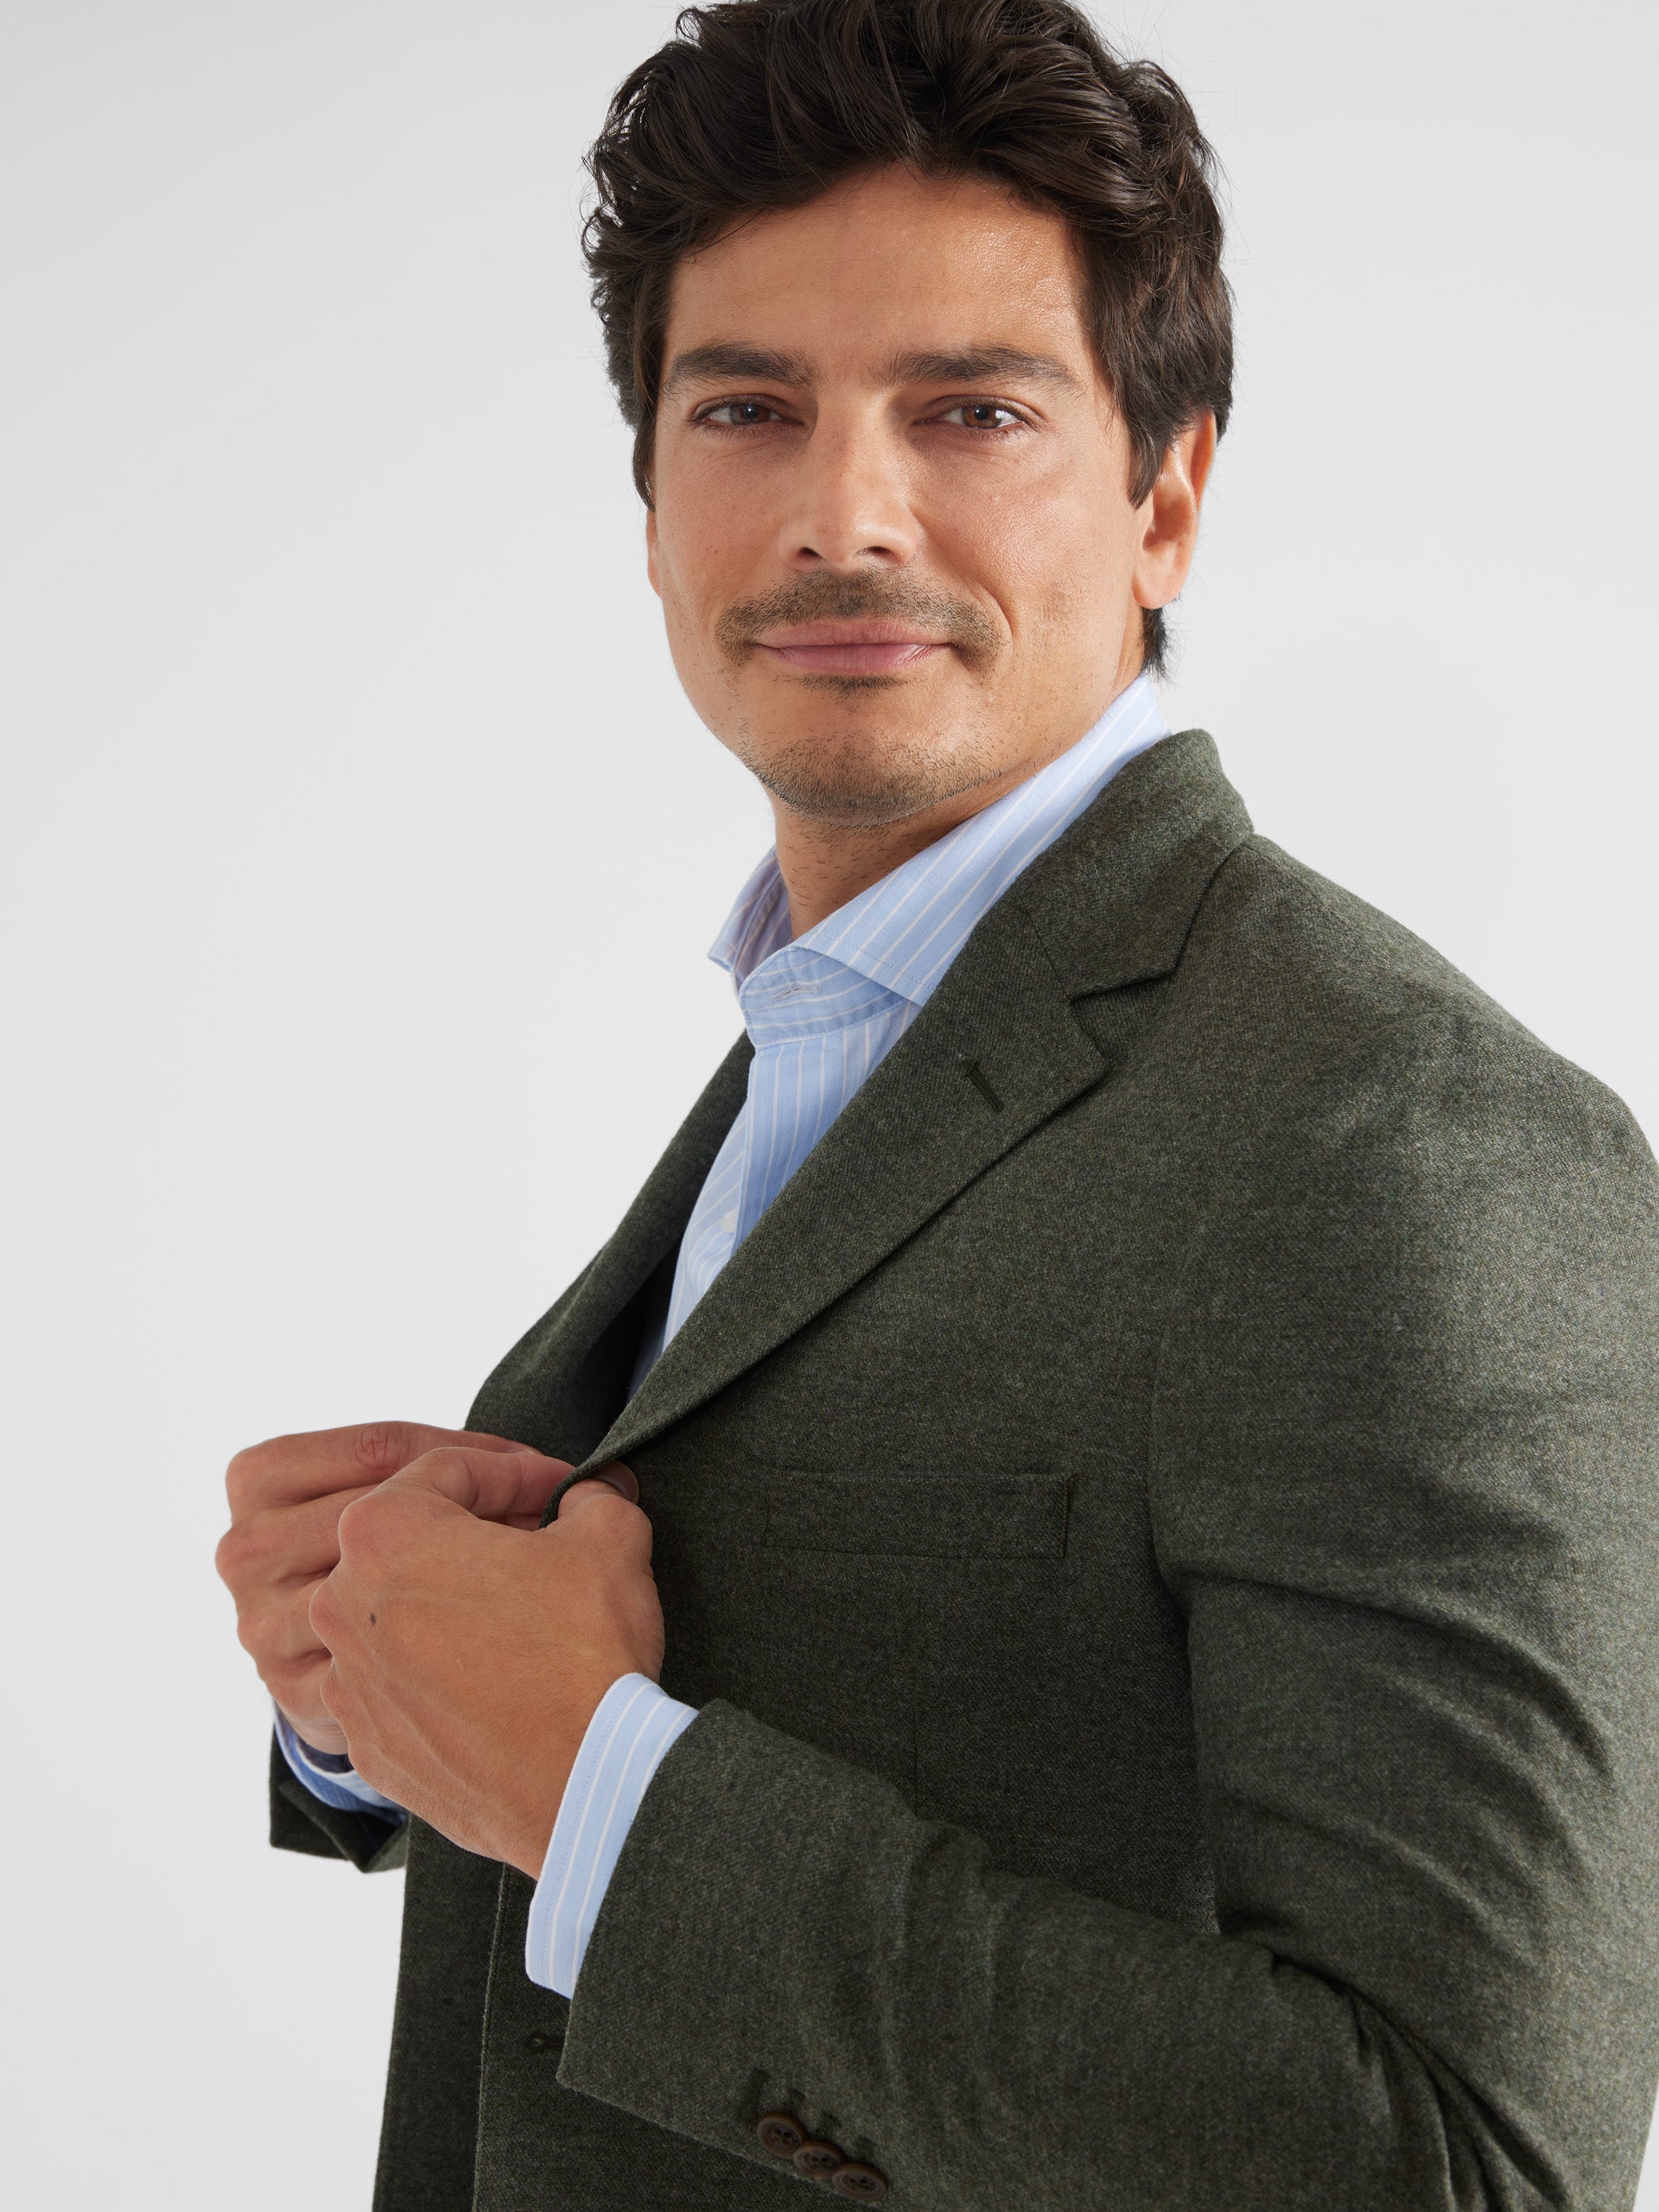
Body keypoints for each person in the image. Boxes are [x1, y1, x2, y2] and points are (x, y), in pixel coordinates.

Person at [213, 3, 1659, 2206]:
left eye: (972, 410)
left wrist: (607, 1792)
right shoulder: (843, 1017)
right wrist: (374, 1681)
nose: (841, 513)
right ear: (650, 504)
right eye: (747, 408)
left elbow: (1464, 2163)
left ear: (1166, 500)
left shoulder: (1403, 1138)